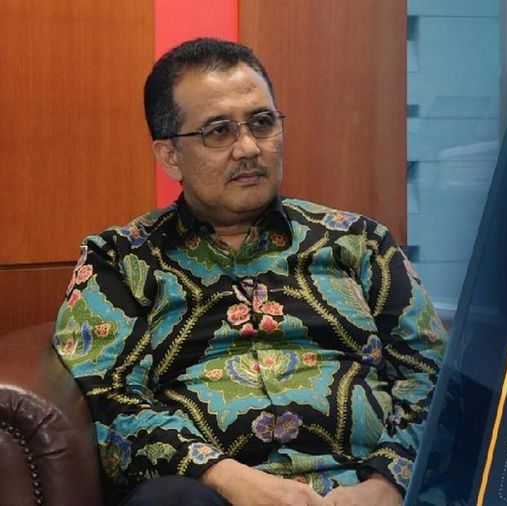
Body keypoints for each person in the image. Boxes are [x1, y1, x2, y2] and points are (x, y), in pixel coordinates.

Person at [52, 38, 445, 506]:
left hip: (367, 489)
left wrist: (387, 484)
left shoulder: (359, 242)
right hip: (212, 495)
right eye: (218, 131)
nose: (248, 148)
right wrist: (229, 480)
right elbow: (113, 402)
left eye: (262, 123)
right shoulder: (119, 260)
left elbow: (432, 375)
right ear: (170, 155)